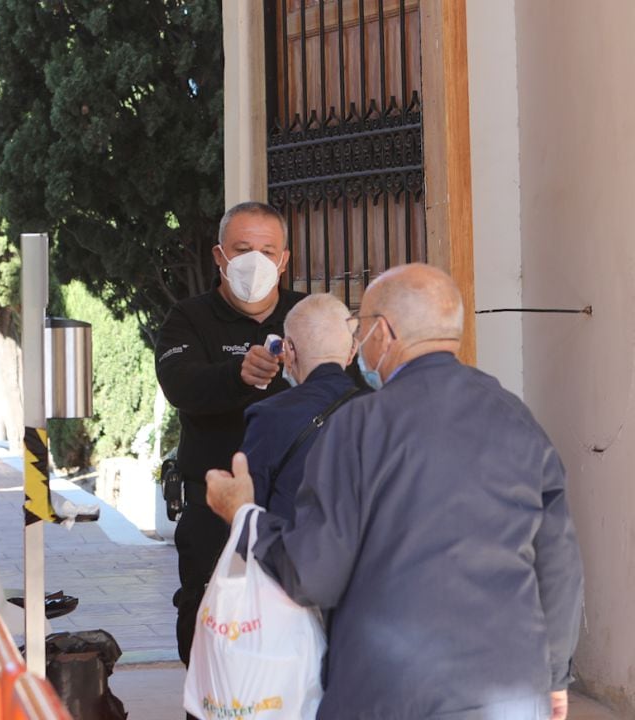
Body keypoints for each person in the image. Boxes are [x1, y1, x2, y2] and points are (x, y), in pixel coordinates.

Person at [206, 263, 584, 720]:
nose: (360, 344)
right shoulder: (519, 420)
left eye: (361, 329)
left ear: (383, 331)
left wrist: (245, 516)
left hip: (389, 694)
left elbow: (314, 573)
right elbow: (560, 565)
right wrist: (554, 677)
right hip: (511, 693)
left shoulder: (361, 426)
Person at [153, 200, 305, 673]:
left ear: (283, 260)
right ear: (219, 257)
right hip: (213, 518)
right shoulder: (189, 319)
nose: (255, 261)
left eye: (267, 250)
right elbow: (181, 384)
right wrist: (237, 375)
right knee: (210, 646)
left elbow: (349, 393)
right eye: (243, 249)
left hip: (297, 518)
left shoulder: (308, 315)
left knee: (295, 647)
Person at [240, 293, 363, 523]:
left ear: (289, 351)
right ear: (352, 351)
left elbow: (248, 511)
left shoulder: (269, 416)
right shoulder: (383, 410)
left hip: (292, 553)